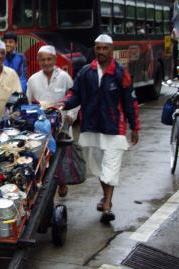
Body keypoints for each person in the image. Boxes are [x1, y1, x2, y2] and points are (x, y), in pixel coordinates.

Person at [58, 34, 140, 223]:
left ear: (112, 50)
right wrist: (62, 105)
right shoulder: (85, 72)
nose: (101, 51)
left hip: (114, 129)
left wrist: (135, 127)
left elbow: (130, 102)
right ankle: (105, 198)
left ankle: (107, 206)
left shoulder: (121, 73)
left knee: (111, 167)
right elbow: (75, 95)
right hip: (91, 128)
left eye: (105, 48)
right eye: (98, 48)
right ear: (95, 49)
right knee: (100, 168)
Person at [27, 45, 79, 197]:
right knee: (42, 157)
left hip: (62, 125)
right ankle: (42, 189)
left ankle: (62, 183)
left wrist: (71, 115)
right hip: (41, 127)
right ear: (38, 61)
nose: (46, 62)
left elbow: (75, 97)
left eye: (49, 59)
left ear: (55, 60)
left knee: (61, 157)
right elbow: (29, 102)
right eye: (42, 59)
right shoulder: (33, 80)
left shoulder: (64, 77)